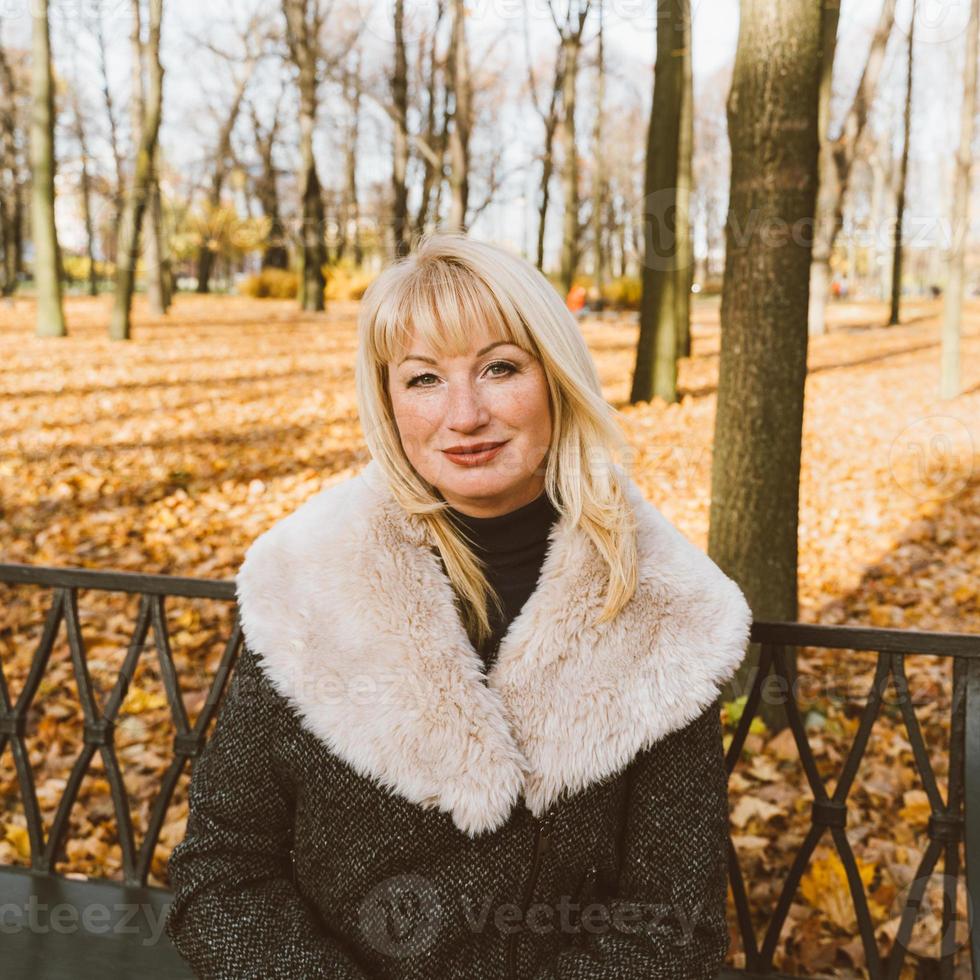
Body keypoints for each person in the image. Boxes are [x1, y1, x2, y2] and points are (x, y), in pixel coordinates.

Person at [164, 231, 753, 979]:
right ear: (389, 403)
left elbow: (673, 925)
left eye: (500, 368)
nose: (465, 414)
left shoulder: (669, 613)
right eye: (423, 380)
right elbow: (221, 873)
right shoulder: (311, 580)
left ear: (556, 380)